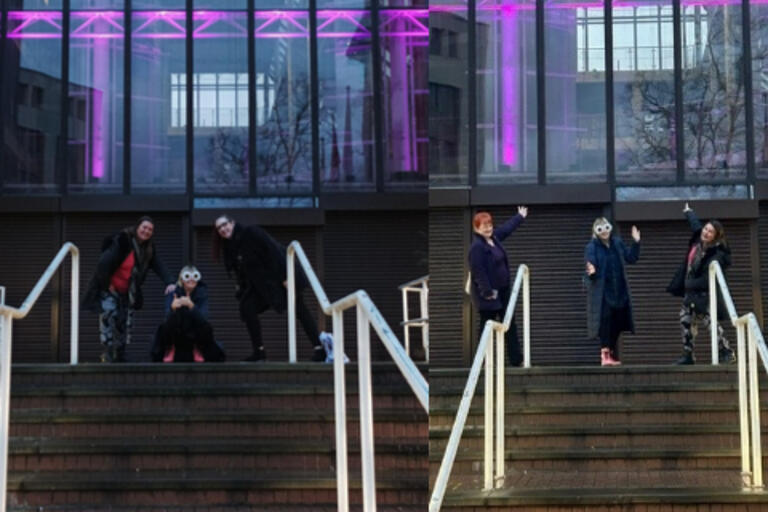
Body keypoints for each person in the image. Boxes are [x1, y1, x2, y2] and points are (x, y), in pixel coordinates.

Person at [212, 215, 331, 362]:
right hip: (264, 285)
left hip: (281, 277)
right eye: (219, 228)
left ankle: (319, 348)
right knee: (248, 307)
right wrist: (242, 291)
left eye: (225, 225)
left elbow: (274, 251)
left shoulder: (251, 232)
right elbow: (242, 272)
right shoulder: (230, 248)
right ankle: (259, 352)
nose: (223, 229)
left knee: (300, 309)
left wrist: (285, 277)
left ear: (232, 223)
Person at [82, 216, 176, 363]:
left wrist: (170, 282)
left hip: (128, 291)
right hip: (110, 287)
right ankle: (107, 353)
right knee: (108, 317)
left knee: (125, 321)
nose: (146, 231)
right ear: (137, 227)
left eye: (150, 229)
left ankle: (120, 353)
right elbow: (104, 262)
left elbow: (159, 265)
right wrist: (106, 284)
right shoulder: (123, 240)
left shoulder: (148, 249)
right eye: (144, 227)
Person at [667, 203, 735, 365]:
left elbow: (706, 279)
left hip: (705, 294)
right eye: (706, 229)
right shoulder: (698, 240)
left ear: (716, 236)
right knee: (685, 321)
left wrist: (688, 284)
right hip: (691, 292)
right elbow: (696, 225)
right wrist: (688, 212)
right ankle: (688, 355)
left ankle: (726, 351)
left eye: (710, 231)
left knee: (711, 324)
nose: (706, 232)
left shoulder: (716, 254)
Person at [468, 207, 528, 367]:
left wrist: (520, 217)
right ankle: (483, 361)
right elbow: (478, 271)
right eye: (484, 226)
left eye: (489, 225)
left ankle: (516, 359)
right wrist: (487, 292)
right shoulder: (477, 248)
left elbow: (506, 229)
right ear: (477, 228)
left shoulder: (494, 238)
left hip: (503, 291)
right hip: (489, 294)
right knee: (487, 326)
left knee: (509, 324)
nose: (488, 228)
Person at [584, 218, 640, 366]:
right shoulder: (592, 246)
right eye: (600, 229)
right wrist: (592, 271)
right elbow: (591, 263)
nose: (604, 232)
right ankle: (605, 354)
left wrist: (636, 242)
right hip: (603, 290)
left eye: (606, 227)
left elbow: (631, 258)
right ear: (595, 231)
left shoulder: (617, 243)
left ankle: (611, 354)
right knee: (605, 321)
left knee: (618, 321)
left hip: (619, 290)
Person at [150, 265, 226, 363]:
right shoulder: (173, 292)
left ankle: (198, 348)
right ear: (181, 279)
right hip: (178, 330)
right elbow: (167, 319)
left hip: (194, 330)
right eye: (187, 276)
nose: (191, 279)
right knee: (166, 325)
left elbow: (204, 318)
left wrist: (191, 306)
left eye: (194, 276)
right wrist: (173, 308)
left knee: (206, 327)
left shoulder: (202, 293)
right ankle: (170, 348)